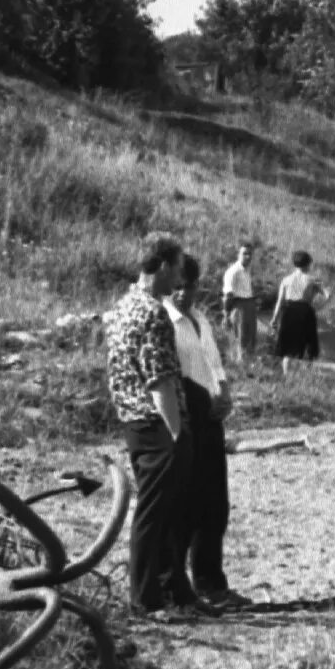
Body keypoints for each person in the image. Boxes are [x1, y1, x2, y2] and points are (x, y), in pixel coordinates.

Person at [107, 231, 205, 620]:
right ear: (163, 265)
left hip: (134, 421)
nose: (180, 278)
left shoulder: (122, 306)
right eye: (178, 267)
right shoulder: (152, 313)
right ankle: (145, 599)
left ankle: (172, 589)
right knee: (156, 514)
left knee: (161, 512)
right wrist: (177, 432)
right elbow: (160, 380)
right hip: (156, 423)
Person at [166, 256, 248, 611]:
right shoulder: (164, 320)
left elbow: (214, 364)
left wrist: (225, 393)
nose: (184, 293)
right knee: (184, 505)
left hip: (210, 416)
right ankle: (177, 587)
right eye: (178, 285)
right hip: (184, 417)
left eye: (190, 285)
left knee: (215, 505)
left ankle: (211, 582)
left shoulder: (200, 320)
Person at [271, 250, 325, 369]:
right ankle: (305, 374)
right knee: (309, 345)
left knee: (288, 347)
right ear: (308, 264)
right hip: (305, 312)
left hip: (289, 311)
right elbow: (327, 294)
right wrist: (319, 307)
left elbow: (280, 302)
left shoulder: (286, 280)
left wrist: (274, 318)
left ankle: (286, 376)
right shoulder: (312, 280)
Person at [219, 243, 258, 367]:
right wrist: (226, 315)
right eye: (244, 253)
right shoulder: (233, 271)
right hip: (239, 306)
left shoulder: (247, 271)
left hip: (249, 305)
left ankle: (249, 365)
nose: (247, 256)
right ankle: (240, 366)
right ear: (238, 254)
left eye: (249, 254)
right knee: (241, 337)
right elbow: (228, 295)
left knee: (250, 337)